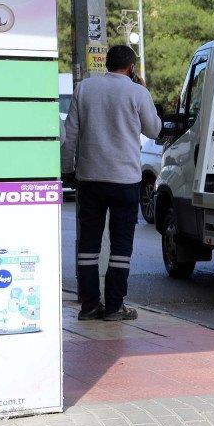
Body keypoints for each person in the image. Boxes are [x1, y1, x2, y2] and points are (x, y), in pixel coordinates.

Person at [62, 45, 162, 322]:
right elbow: (154, 129)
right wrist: (143, 91)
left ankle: (89, 306)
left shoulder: (84, 88)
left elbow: (70, 134)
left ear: (106, 64)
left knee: (88, 245)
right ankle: (115, 306)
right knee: (121, 246)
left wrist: (67, 169)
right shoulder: (137, 92)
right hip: (125, 180)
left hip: (90, 178)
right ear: (131, 67)